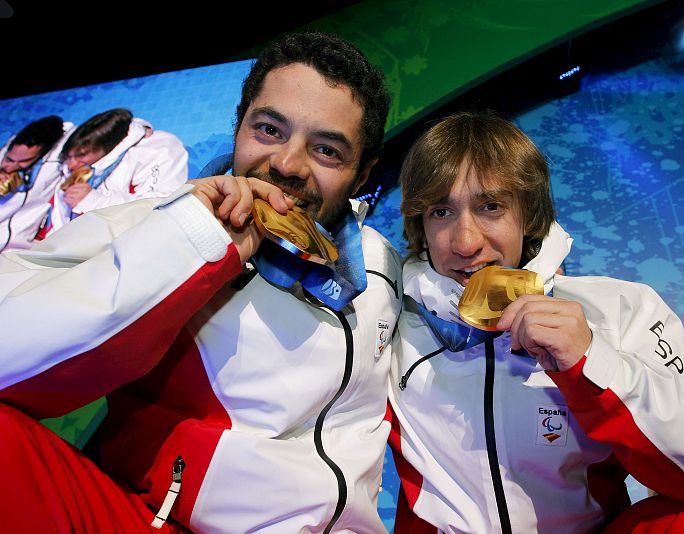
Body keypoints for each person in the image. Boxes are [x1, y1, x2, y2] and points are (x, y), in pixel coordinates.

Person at [0, 31, 401, 533]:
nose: (286, 164)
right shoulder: (154, 223)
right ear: (238, 124)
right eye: (269, 129)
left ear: (361, 175)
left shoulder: (383, 266)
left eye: (325, 149)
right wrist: (192, 241)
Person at [387, 111, 684, 533]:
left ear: (529, 215)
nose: (465, 242)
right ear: (420, 226)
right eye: (441, 211)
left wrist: (593, 362)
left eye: (491, 206)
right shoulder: (389, 324)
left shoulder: (620, 310)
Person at [43, 107, 189, 235]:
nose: (71, 164)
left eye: (81, 155)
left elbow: (163, 207)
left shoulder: (160, 149)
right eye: (68, 157)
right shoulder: (80, 153)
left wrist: (95, 201)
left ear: (108, 147)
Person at [0, 115, 74, 252]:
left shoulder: (51, 165)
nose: (10, 167)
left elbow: (69, 130)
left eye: (23, 162)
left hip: (16, 249)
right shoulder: (6, 154)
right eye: (9, 160)